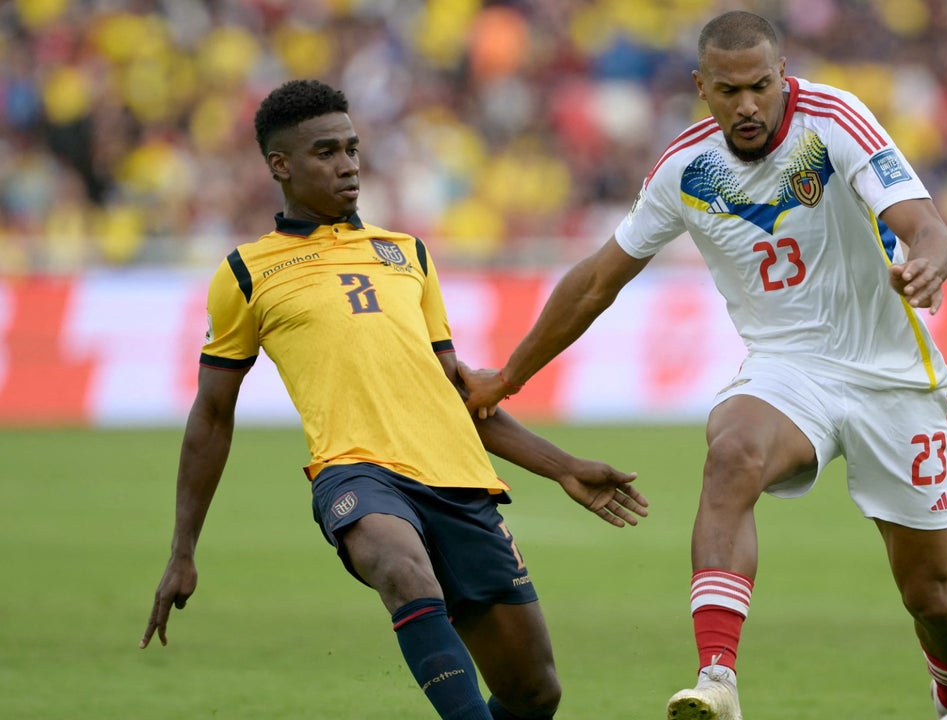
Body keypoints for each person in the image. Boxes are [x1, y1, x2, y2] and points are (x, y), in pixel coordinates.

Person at [462, 11, 947, 720]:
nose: (748, 105)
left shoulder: (834, 120)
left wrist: (927, 262)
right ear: (701, 86)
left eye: (761, 86)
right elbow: (596, 282)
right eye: (729, 91)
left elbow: (926, 225)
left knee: (933, 598)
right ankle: (717, 681)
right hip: (788, 370)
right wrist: (507, 377)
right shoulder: (686, 168)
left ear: (783, 74)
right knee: (732, 450)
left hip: (892, 378)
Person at [138, 79, 650, 720]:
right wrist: (183, 549)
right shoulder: (246, 272)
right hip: (356, 474)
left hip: (458, 479)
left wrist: (564, 466)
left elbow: (456, 395)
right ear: (280, 165)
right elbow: (212, 415)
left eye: (352, 148)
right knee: (403, 571)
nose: (348, 164)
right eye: (326, 152)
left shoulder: (407, 254)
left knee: (534, 693)